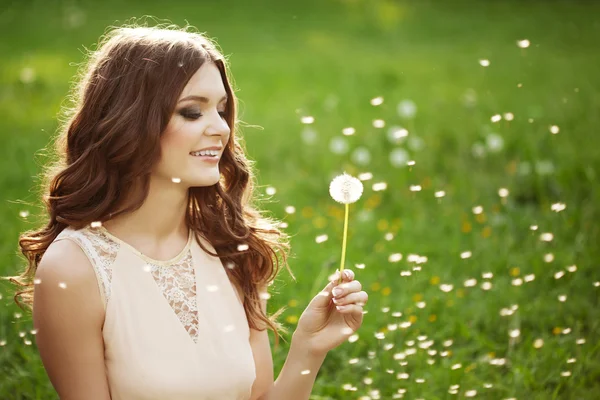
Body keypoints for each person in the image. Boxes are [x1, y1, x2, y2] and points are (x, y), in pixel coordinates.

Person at [6, 22, 368, 400]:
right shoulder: (74, 268)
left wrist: (308, 348)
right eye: (193, 112)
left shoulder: (232, 247)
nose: (221, 129)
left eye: (222, 110)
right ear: (130, 121)